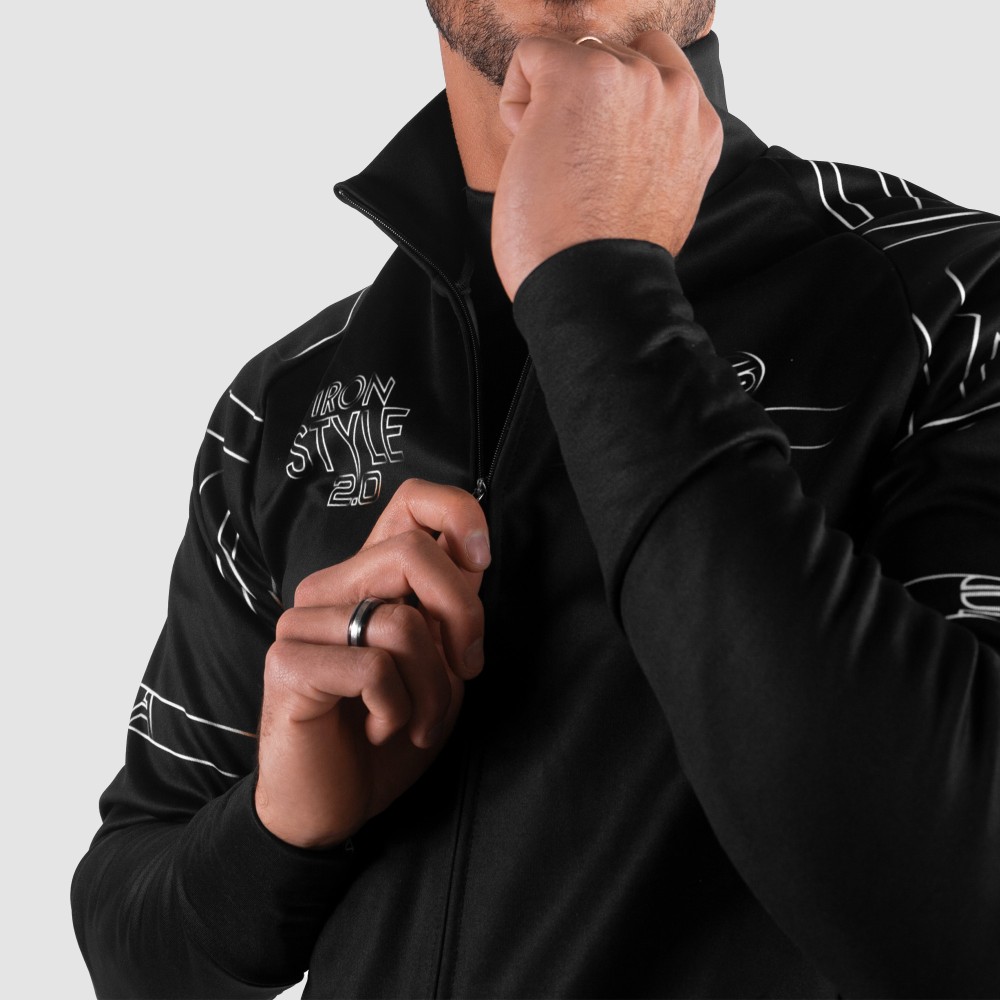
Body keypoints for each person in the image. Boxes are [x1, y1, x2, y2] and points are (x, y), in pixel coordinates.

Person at [71, 1, 1000, 996]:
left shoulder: (958, 307)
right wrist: (283, 831)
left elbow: (969, 911)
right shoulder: (287, 401)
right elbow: (135, 933)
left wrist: (597, 287)